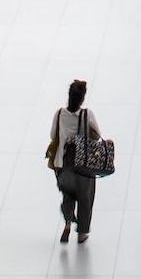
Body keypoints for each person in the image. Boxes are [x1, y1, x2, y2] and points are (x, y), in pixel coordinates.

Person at [49, 79, 104, 244]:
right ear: (82, 98)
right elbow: (97, 136)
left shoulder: (59, 114)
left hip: (64, 163)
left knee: (68, 194)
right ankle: (82, 233)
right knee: (85, 198)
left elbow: (52, 135)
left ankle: (67, 221)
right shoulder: (87, 114)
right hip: (84, 165)